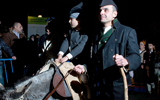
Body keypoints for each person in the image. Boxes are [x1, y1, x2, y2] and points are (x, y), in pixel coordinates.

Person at [74, 0, 141, 99]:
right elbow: (94, 59)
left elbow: (136, 57)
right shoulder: (95, 35)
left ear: (115, 14)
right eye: (100, 10)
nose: (101, 13)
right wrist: (84, 67)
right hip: (97, 84)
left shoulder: (127, 32)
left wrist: (126, 61)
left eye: (106, 10)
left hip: (116, 85)